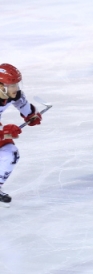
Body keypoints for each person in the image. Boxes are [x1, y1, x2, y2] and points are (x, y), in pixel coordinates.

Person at [0, 64, 44, 206]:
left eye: (17, 84)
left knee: (10, 153)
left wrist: (31, 115)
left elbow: (25, 108)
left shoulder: (13, 94)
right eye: (12, 85)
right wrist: (5, 132)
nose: (16, 88)